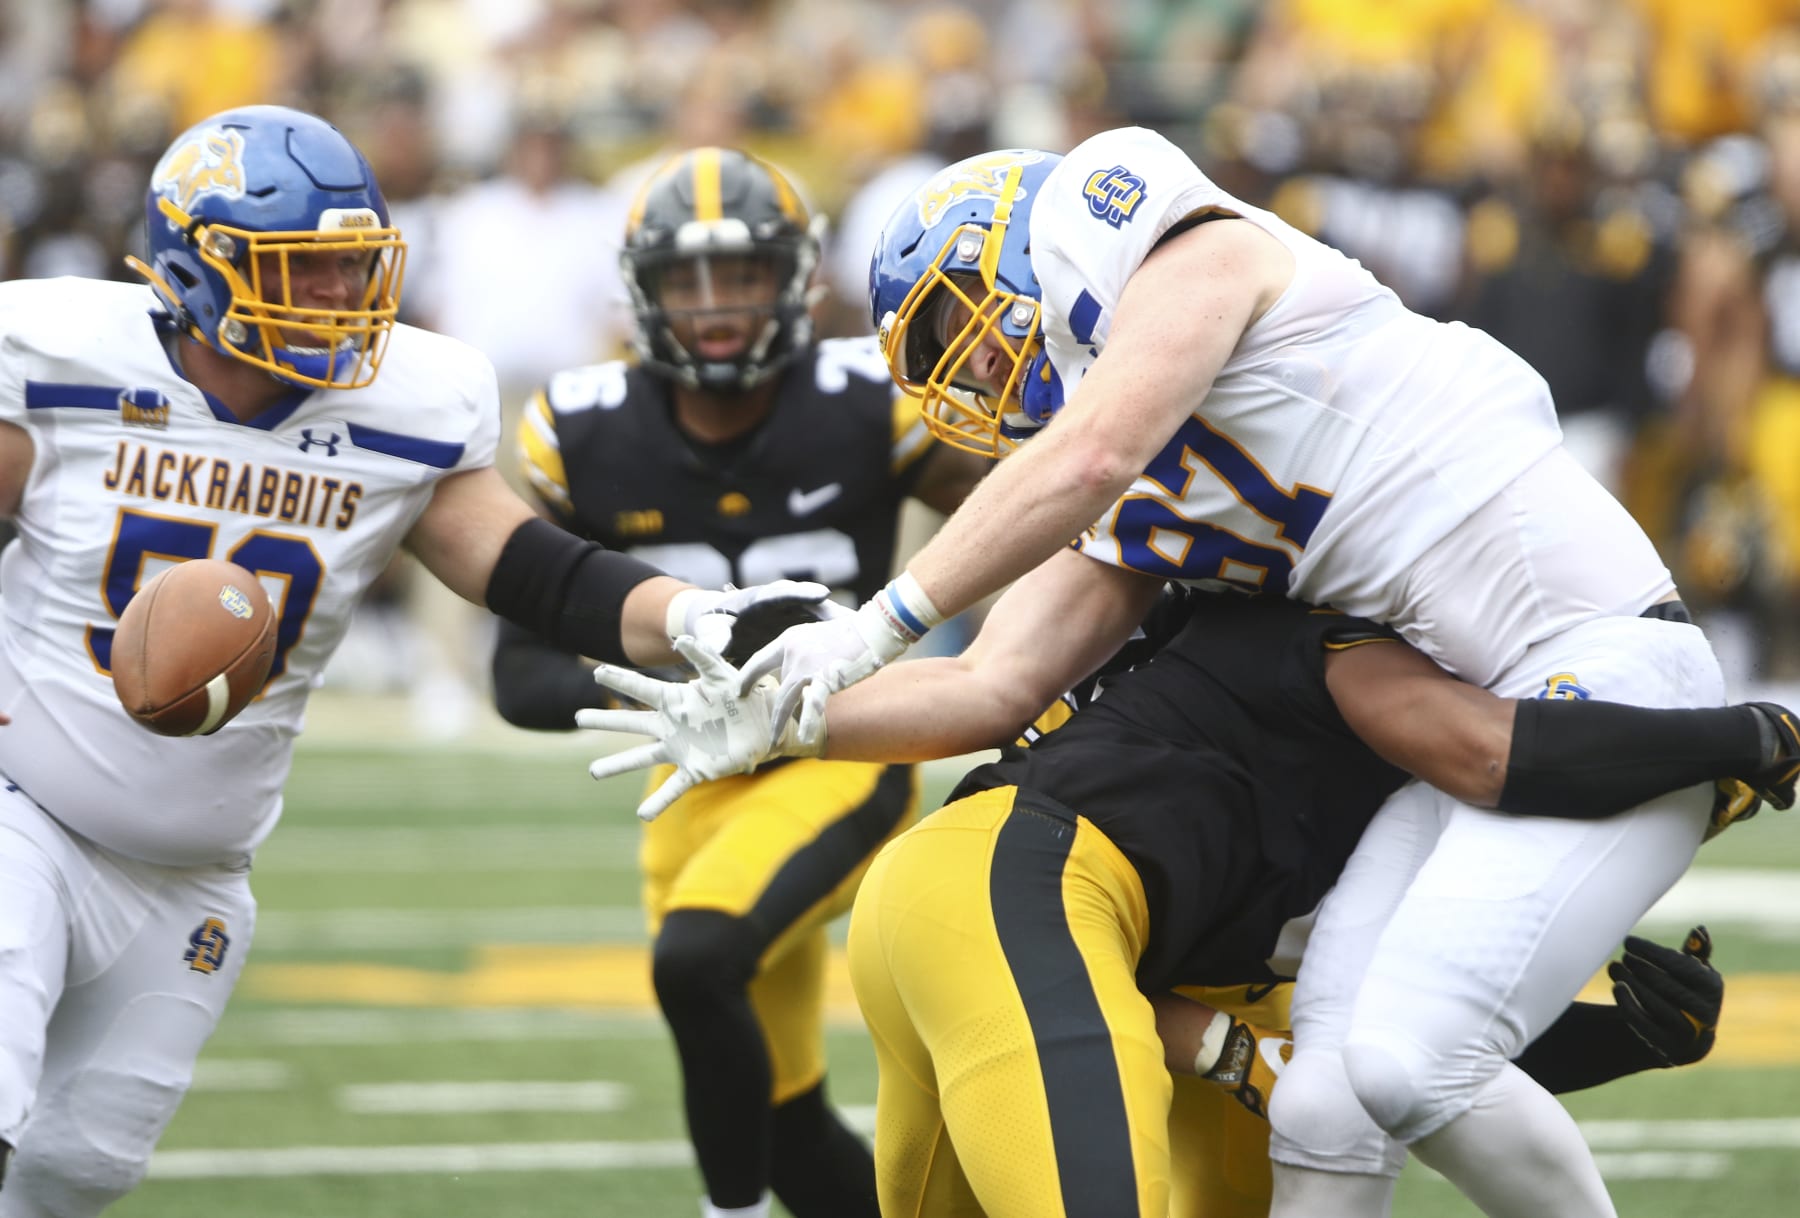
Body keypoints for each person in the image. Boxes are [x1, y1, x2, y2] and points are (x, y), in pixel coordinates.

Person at [637, 128, 1800, 1216]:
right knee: (1333, 1092)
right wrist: (786, 724)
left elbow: (1095, 449)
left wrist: (878, 620)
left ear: (1017, 246)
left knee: (1395, 1063)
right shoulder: (1152, 502)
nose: (979, 371)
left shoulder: (1146, 216)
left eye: (968, 325)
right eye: (946, 364)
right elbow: (992, 686)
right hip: (1472, 712)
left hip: (1594, 652)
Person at [0, 106, 830, 1218]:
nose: (344, 298)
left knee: (78, 1170)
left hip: (196, 869)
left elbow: (533, 571)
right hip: (26, 813)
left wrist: (698, 620)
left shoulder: (406, 406)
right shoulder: (60, 365)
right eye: (307, 270)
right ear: (199, 270)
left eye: (355, 266)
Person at [583, 579, 1780, 1218]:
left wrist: (1616, 1040)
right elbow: (1502, 754)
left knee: (1299, 1124)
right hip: (1022, 900)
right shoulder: (1341, 637)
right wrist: (1738, 738)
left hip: (1049, 935)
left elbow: (1370, 1051)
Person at [488, 146, 987, 1218]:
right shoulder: (584, 430)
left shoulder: (869, 403)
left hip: (844, 752)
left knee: (697, 957)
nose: (716, 309)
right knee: (786, 1121)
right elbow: (518, 671)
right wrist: (656, 685)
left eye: (744, 277)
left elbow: (1021, 532)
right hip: (692, 785)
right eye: (688, 281)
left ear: (795, 279)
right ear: (640, 291)